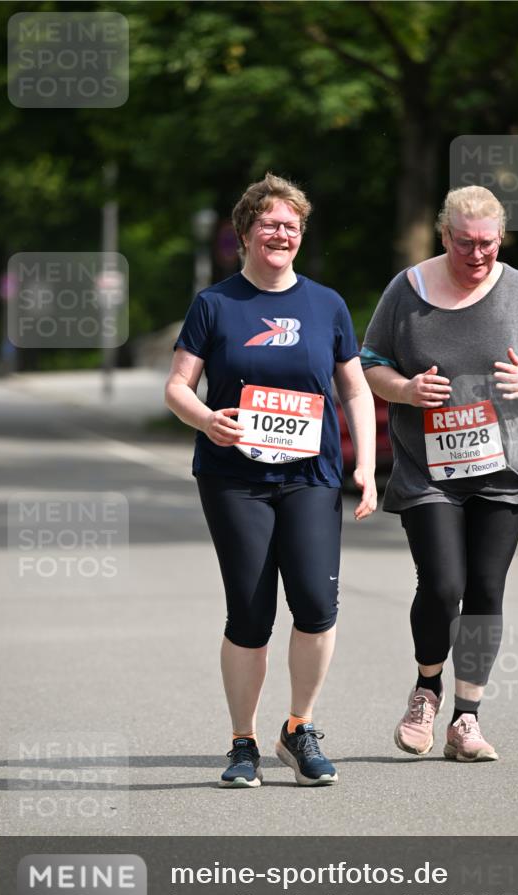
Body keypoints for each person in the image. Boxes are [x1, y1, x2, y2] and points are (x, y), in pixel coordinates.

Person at [165, 173, 377, 787]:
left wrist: (363, 465)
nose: (281, 234)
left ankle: (299, 728)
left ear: (301, 236)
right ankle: (242, 743)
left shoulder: (326, 304)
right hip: (235, 478)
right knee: (251, 613)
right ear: (245, 235)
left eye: (292, 226)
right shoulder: (215, 304)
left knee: (315, 603)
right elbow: (178, 387)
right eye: (269, 225)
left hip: (311, 473)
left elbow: (355, 387)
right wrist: (208, 421)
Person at [362, 185, 518, 762]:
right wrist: (405, 389)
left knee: (485, 590)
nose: (477, 255)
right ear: (443, 235)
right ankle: (427, 688)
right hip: (430, 468)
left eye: (487, 243)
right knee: (444, 584)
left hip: (503, 466)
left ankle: (466, 718)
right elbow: (370, 362)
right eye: (464, 243)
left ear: (500, 238)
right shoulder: (407, 292)